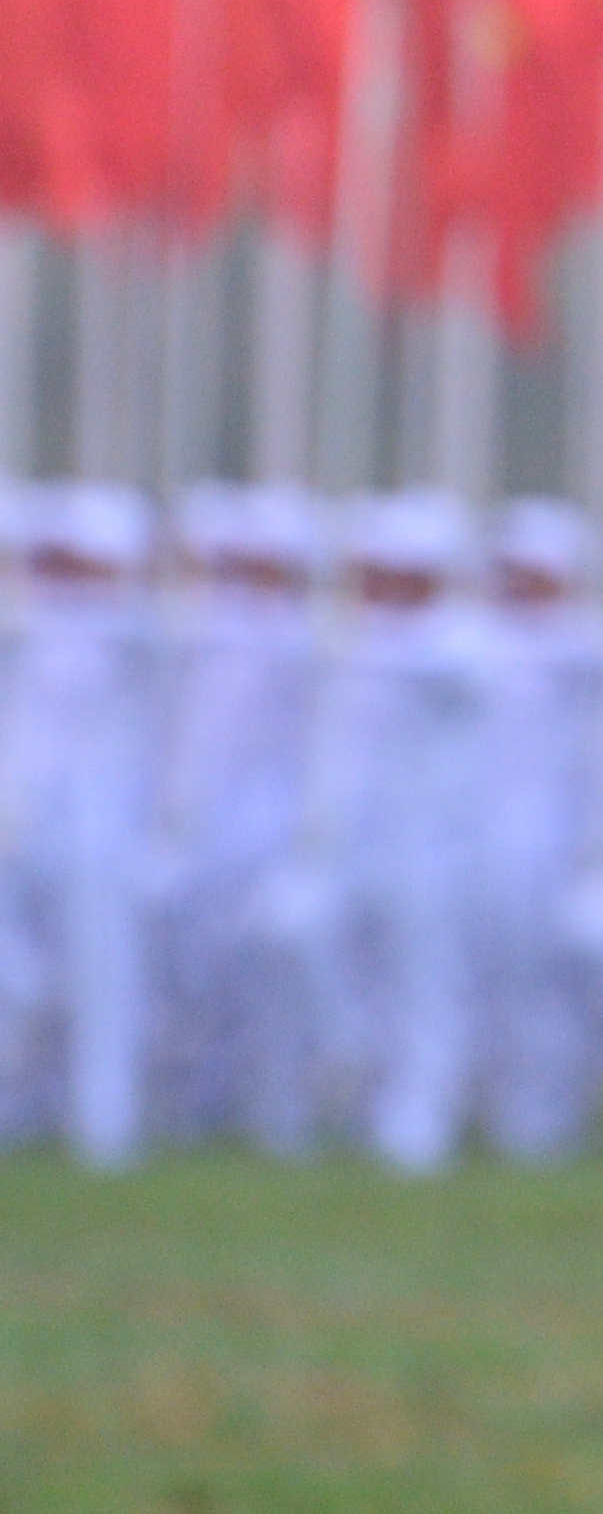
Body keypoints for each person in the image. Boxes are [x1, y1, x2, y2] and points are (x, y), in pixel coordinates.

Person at [298, 489, 488, 1172]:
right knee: (296, 931)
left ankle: (420, 1119)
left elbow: (445, 668)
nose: (379, 583)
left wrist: (357, 642)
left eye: (396, 569)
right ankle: (354, 1066)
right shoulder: (358, 636)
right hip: (356, 837)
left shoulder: (462, 638)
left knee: (425, 984)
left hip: (434, 841)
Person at [149, 483, 324, 1146]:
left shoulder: (300, 635)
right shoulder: (193, 630)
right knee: (197, 972)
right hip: (201, 827)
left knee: (272, 973)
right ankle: (199, 1099)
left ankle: (283, 1111)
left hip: (274, 828)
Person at [0, 483, 159, 1167]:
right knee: (20, 976)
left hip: (101, 824)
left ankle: (104, 1123)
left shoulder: (134, 629)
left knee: (102, 977)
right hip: (23, 818)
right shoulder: (31, 622)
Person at [474, 498, 603, 1159]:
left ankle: (548, 1116)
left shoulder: (580, 644)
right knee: (498, 978)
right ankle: (509, 1109)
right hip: (484, 835)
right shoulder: (485, 640)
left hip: (555, 839)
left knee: (544, 983)